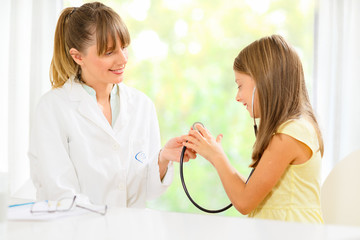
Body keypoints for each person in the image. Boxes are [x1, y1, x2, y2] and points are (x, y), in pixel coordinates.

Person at [29, 2, 195, 208]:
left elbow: (148, 191)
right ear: (77, 56)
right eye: (109, 52)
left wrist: (162, 159)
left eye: (124, 47)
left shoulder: (142, 106)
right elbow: (61, 194)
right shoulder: (53, 108)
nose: (123, 59)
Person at [183, 35, 324, 223]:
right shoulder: (293, 129)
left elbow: (244, 201)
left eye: (240, 85)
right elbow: (252, 191)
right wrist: (213, 153)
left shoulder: (291, 134)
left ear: (264, 81)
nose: (237, 97)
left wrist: (217, 156)